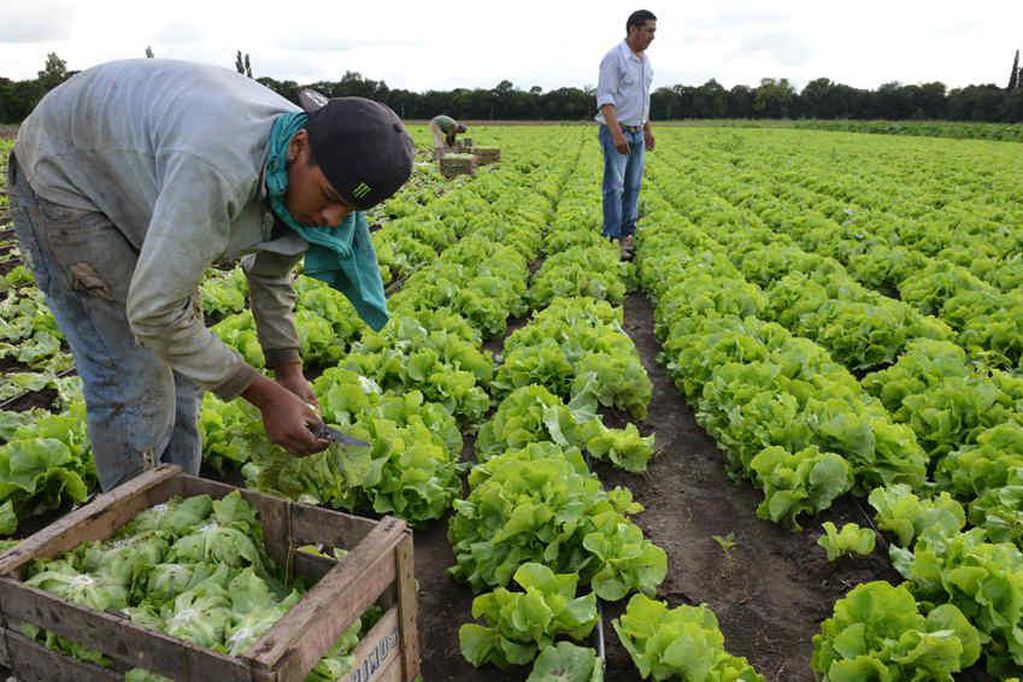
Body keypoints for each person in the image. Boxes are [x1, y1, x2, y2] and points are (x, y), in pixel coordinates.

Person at [8, 58, 415, 492]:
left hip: (144, 170)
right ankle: (132, 523)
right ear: (298, 146)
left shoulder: (300, 176)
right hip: (66, 170)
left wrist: (287, 370)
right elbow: (153, 315)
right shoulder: (218, 164)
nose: (333, 219)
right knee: (132, 374)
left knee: (184, 371)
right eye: (330, 198)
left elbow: (272, 273)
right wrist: (263, 395)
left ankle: (180, 499)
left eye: (348, 211)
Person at [595, 9, 656, 261]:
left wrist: (647, 129)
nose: (653, 37)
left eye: (654, 31)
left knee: (633, 186)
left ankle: (627, 234)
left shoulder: (645, 62)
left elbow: (642, 99)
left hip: (637, 133)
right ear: (633, 29)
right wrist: (617, 134)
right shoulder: (615, 58)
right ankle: (613, 237)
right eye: (649, 31)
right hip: (616, 132)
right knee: (614, 186)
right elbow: (605, 99)